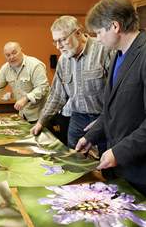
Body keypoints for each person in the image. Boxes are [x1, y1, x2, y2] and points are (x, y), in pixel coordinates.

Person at [76, 0, 146, 210]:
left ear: (114, 26)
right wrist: (91, 135)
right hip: (122, 168)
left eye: (98, 32)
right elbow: (111, 109)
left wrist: (118, 152)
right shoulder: (118, 55)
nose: (97, 39)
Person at [30, 16, 112, 149]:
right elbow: (56, 95)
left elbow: (119, 93)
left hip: (104, 117)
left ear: (78, 33)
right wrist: (41, 122)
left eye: (62, 40)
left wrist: (104, 120)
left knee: (105, 161)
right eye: (55, 41)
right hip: (78, 117)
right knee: (74, 160)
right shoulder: (63, 60)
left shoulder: (104, 50)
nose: (58, 46)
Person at [0, 42, 49, 122]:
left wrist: (26, 98)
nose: (11, 57)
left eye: (14, 53)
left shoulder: (35, 65)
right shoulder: (5, 68)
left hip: (41, 115)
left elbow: (43, 87)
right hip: (23, 115)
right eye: (8, 55)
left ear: (21, 50)